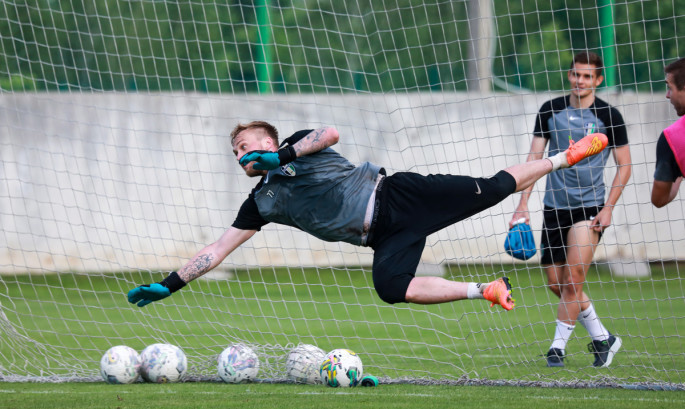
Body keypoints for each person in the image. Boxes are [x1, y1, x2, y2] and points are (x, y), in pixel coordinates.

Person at [128, 121, 608, 315]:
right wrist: (170, 283)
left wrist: (287, 154)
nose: (242, 152)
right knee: (390, 288)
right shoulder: (261, 202)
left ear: (270, 144)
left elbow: (330, 132)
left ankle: (566, 157)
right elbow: (217, 249)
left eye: (250, 144)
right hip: (381, 236)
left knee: (500, 187)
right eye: (236, 150)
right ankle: (484, 289)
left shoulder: (299, 144)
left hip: (399, 195)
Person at [509, 51, 632, 368]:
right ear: (569, 75)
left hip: (589, 208)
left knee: (574, 280)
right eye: (576, 74)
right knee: (557, 283)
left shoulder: (609, 115)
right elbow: (534, 162)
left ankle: (556, 349)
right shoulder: (550, 110)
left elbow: (625, 167)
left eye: (588, 76)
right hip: (554, 208)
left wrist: (608, 208)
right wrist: (522, 205)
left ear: (598, 80)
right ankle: (603, 338)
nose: (580, 81)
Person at [652, 57, 685, 208]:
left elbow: (659, 198)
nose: (667, 95)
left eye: (670, 88)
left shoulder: (671, 138)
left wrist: (677, 172)